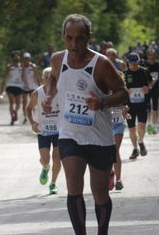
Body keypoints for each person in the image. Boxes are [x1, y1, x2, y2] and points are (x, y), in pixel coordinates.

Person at [43, 14, 129, 235]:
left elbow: (123, 94)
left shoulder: (101, 64)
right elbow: (53, 77)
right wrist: (50, 96)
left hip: (99, 138)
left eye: (79, 39)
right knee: (73, 185)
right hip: (70, 135)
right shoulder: (56, 60)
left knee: (100, 193)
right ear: (63, 37)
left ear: (89, 37)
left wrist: (101, 103)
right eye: (69, 38)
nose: (74, 45)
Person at [26, 67, 61, 194]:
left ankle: (53, 183)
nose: (49, 79)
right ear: (42, 78)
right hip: (43, 131)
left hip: (59, 130)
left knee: (57, 158)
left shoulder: (62, 91)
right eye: (47, 77)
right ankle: (46, 167)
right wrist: (33, 123)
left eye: (52, 77)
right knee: (46, 159)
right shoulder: (38, 93)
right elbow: (28, 108)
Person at [106, 48, 129, 191]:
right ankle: (110, 174)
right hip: (106, 126)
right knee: (107, 153)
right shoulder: (105, 90)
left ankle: (118, 178)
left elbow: (126, 106)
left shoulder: (122, 92)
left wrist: (126, 111)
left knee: (114, 151)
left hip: (118, 124)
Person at [124, 52, 153, 160]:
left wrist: (148, 88)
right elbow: (120, 87)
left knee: (141, 126)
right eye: (131, 63)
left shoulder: (144, 71)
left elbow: (152, 82)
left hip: (142, 104)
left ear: (138, 61)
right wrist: (126, 91)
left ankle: (140, 141)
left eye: (135, 63)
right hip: (129, 106)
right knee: (131, 130)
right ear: (128, 63)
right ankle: (135, 149)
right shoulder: (125, 73)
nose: (133, 65)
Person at [0, 50, 24, 125]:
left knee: (18, 104)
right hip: (10, 86)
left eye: (18, 56)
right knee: (11, 102)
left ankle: (15, 112)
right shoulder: (9, 67)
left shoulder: (22, 66)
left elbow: (24, 77)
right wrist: (1, 89)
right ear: (12, 58)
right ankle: (12, 118)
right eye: (15, 56)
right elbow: (5, 78)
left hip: (19, 86)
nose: (17, 57)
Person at [22, 52, 41, 124]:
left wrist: (40, 86)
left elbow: (37, 76)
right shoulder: (22, 66)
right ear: (23, 59)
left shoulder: (33, 66)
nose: (26, 59)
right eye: (25, 58)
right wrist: (23, 68)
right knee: (24, 102)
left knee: (33, 102)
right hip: (24, 87)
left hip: (33, 86)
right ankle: (25, 117)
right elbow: (21, 77)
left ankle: (34, 118)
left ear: (29, 58)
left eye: (27, 58)